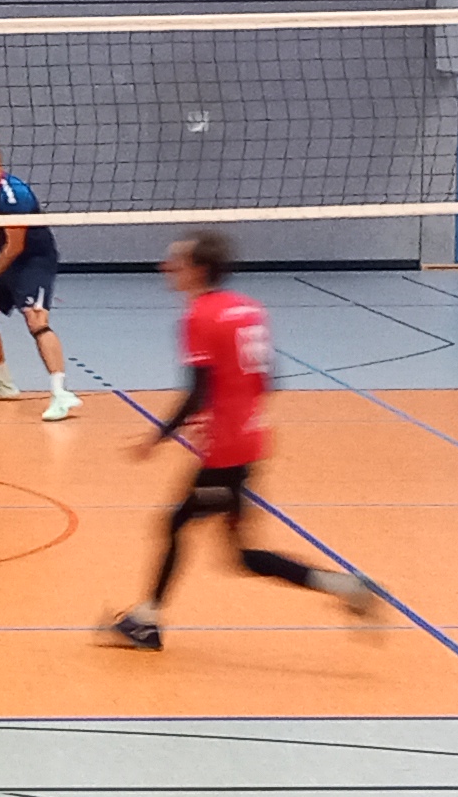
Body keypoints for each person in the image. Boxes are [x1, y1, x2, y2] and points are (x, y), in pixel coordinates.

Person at [101, 230, 376, 650]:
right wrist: (234, 412)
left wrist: (157, 437)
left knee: (176, 524)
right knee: (241, 556)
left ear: (199, 270)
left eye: (176, 261)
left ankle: (147, 620)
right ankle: (348, 588)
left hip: (225, 453)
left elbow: (197, 393)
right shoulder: (248, 309)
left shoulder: (199, 317)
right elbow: (269, 379)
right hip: (250, 440)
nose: (166, 267)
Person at [0, 139, 80, 421]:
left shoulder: (15, 194)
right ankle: (3, 384)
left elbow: (15, 246)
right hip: (10, 261)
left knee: (36, 321)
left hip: (34, 261)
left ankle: (61, 393)